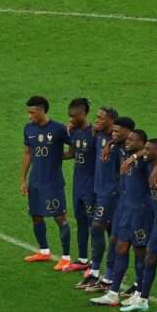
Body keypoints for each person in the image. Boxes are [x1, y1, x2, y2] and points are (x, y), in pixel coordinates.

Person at [92, 127, 151, 306]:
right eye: (128, 139)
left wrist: (136, 156)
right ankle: (114, 292)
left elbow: (155, 151)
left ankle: (140, 294)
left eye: (133, 139)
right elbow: (118, 140)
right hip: (124, 209)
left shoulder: (145, 161)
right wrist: (110, 144)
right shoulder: (124, 152)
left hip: (140, 212)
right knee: (120, 248)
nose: (128, 141)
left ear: (142, 143)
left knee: (140, 252)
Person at [20, 96, 73, 265]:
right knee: (35, 215)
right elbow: (28, 153)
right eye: (28, 112)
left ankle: (66, 257)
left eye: (32, 112)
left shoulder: (58, 129)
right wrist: (23, 179)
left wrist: (61, 156)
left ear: (42, 109)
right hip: (35, 181)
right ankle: (44, 251)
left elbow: (74, 147)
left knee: (60, 217)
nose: (30, 116)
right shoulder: (28, 129)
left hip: (53, 182)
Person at [122, 138, 157, 312]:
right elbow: (141, 152)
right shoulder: (147, 165)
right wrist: (135, 155)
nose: (145, 152)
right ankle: (142, 296)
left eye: (149, 150)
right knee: (149, 257)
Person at [77, 106, 118, 290]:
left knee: (97, 228)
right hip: (97, 190)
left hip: (110, 193)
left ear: (111, 120)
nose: (97, 120)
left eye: (101, 118)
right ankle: (108, 274)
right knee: (110, 231)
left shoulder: (119, 140)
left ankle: (98, 273)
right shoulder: (99, 135)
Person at [62, 97, 95, 272]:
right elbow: (71, 153)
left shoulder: (95, 134)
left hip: (92, 186)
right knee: (81, 221)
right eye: (70, 115)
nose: (71, 119)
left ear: (84, 114)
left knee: (94, 225)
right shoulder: (73, 132)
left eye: (75, 116)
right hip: (78, 185)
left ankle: (95, 265)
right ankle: (83, 259)